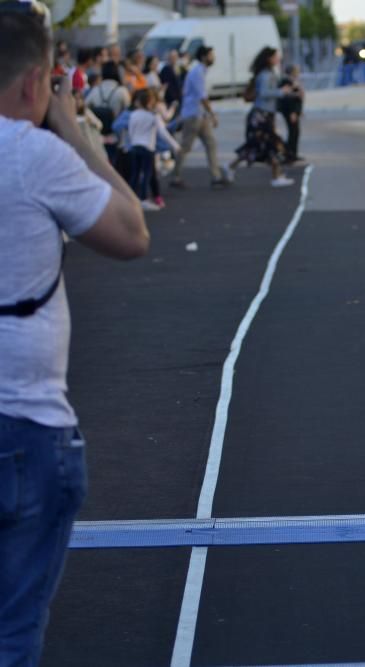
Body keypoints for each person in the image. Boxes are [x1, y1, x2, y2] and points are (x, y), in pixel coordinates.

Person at [0, 11, 149, 666]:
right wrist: (70, 126)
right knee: (13, 629)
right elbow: (129, 233)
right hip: (26, 424)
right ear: (37, 81)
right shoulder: (35, 156)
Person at [228, 47, 294, 187]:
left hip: (264, 114)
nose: (278, 59)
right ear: (269, 59)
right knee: (270, 145)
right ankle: (276, 177)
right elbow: (263, 92)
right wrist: (281, 92)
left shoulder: (269, 73)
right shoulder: (265, 75)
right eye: (276, 56)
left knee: (259, 145)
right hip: (260, 115)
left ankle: (231, 166)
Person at [170, 45, 229, 189]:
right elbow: (202, 96)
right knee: (186, 146)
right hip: (193, 114)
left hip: (199, 114)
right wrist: (213, 115)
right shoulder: (197, 72)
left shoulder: (200, 71)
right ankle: (175, 176)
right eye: (211, 55)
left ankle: (216, 176)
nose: (213, 58)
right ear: (203, 57)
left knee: (210, 144)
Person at [128, 88, 180, 210]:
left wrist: (131, 143)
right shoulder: (153, 116)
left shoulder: (133, 114)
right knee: (147, 174)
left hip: (135, 146)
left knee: (135, 174)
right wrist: (175, 145)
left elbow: (131, 131)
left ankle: (130, 197)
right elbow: (163, 132)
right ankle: (143, 198)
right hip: (148, 148)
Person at [278, 63, 305, 165]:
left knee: (295, 132)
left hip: (294, 111)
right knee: (293, 132)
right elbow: (288, 98)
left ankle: (293, 154)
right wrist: (293, 112)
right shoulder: (287, 81)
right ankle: (289, 155)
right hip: (290, 111)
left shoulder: (293, 81)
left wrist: (299, 111)